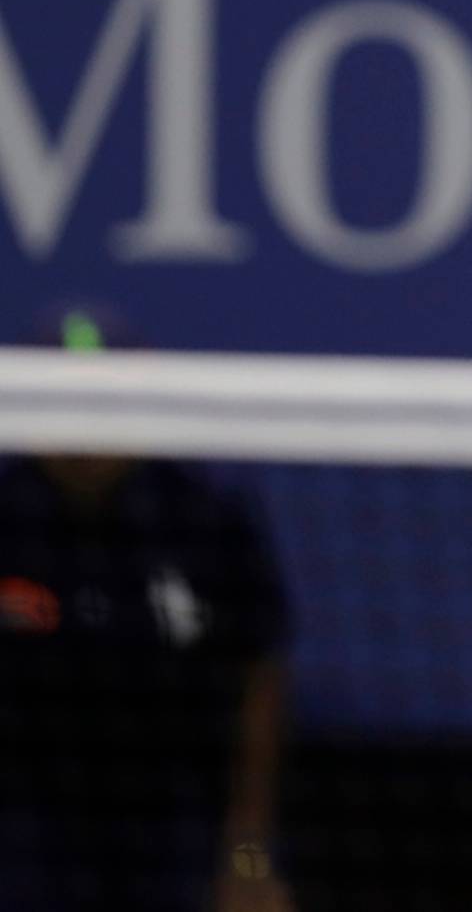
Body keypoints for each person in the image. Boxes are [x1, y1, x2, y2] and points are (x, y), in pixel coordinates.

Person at [0, 302, 293, 912]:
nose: (82, 431)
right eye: (60, 405)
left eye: (101, 404)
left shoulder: (205, 521)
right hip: (24, 816)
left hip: (173, 816)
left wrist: (248, 859)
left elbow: (259, 683)